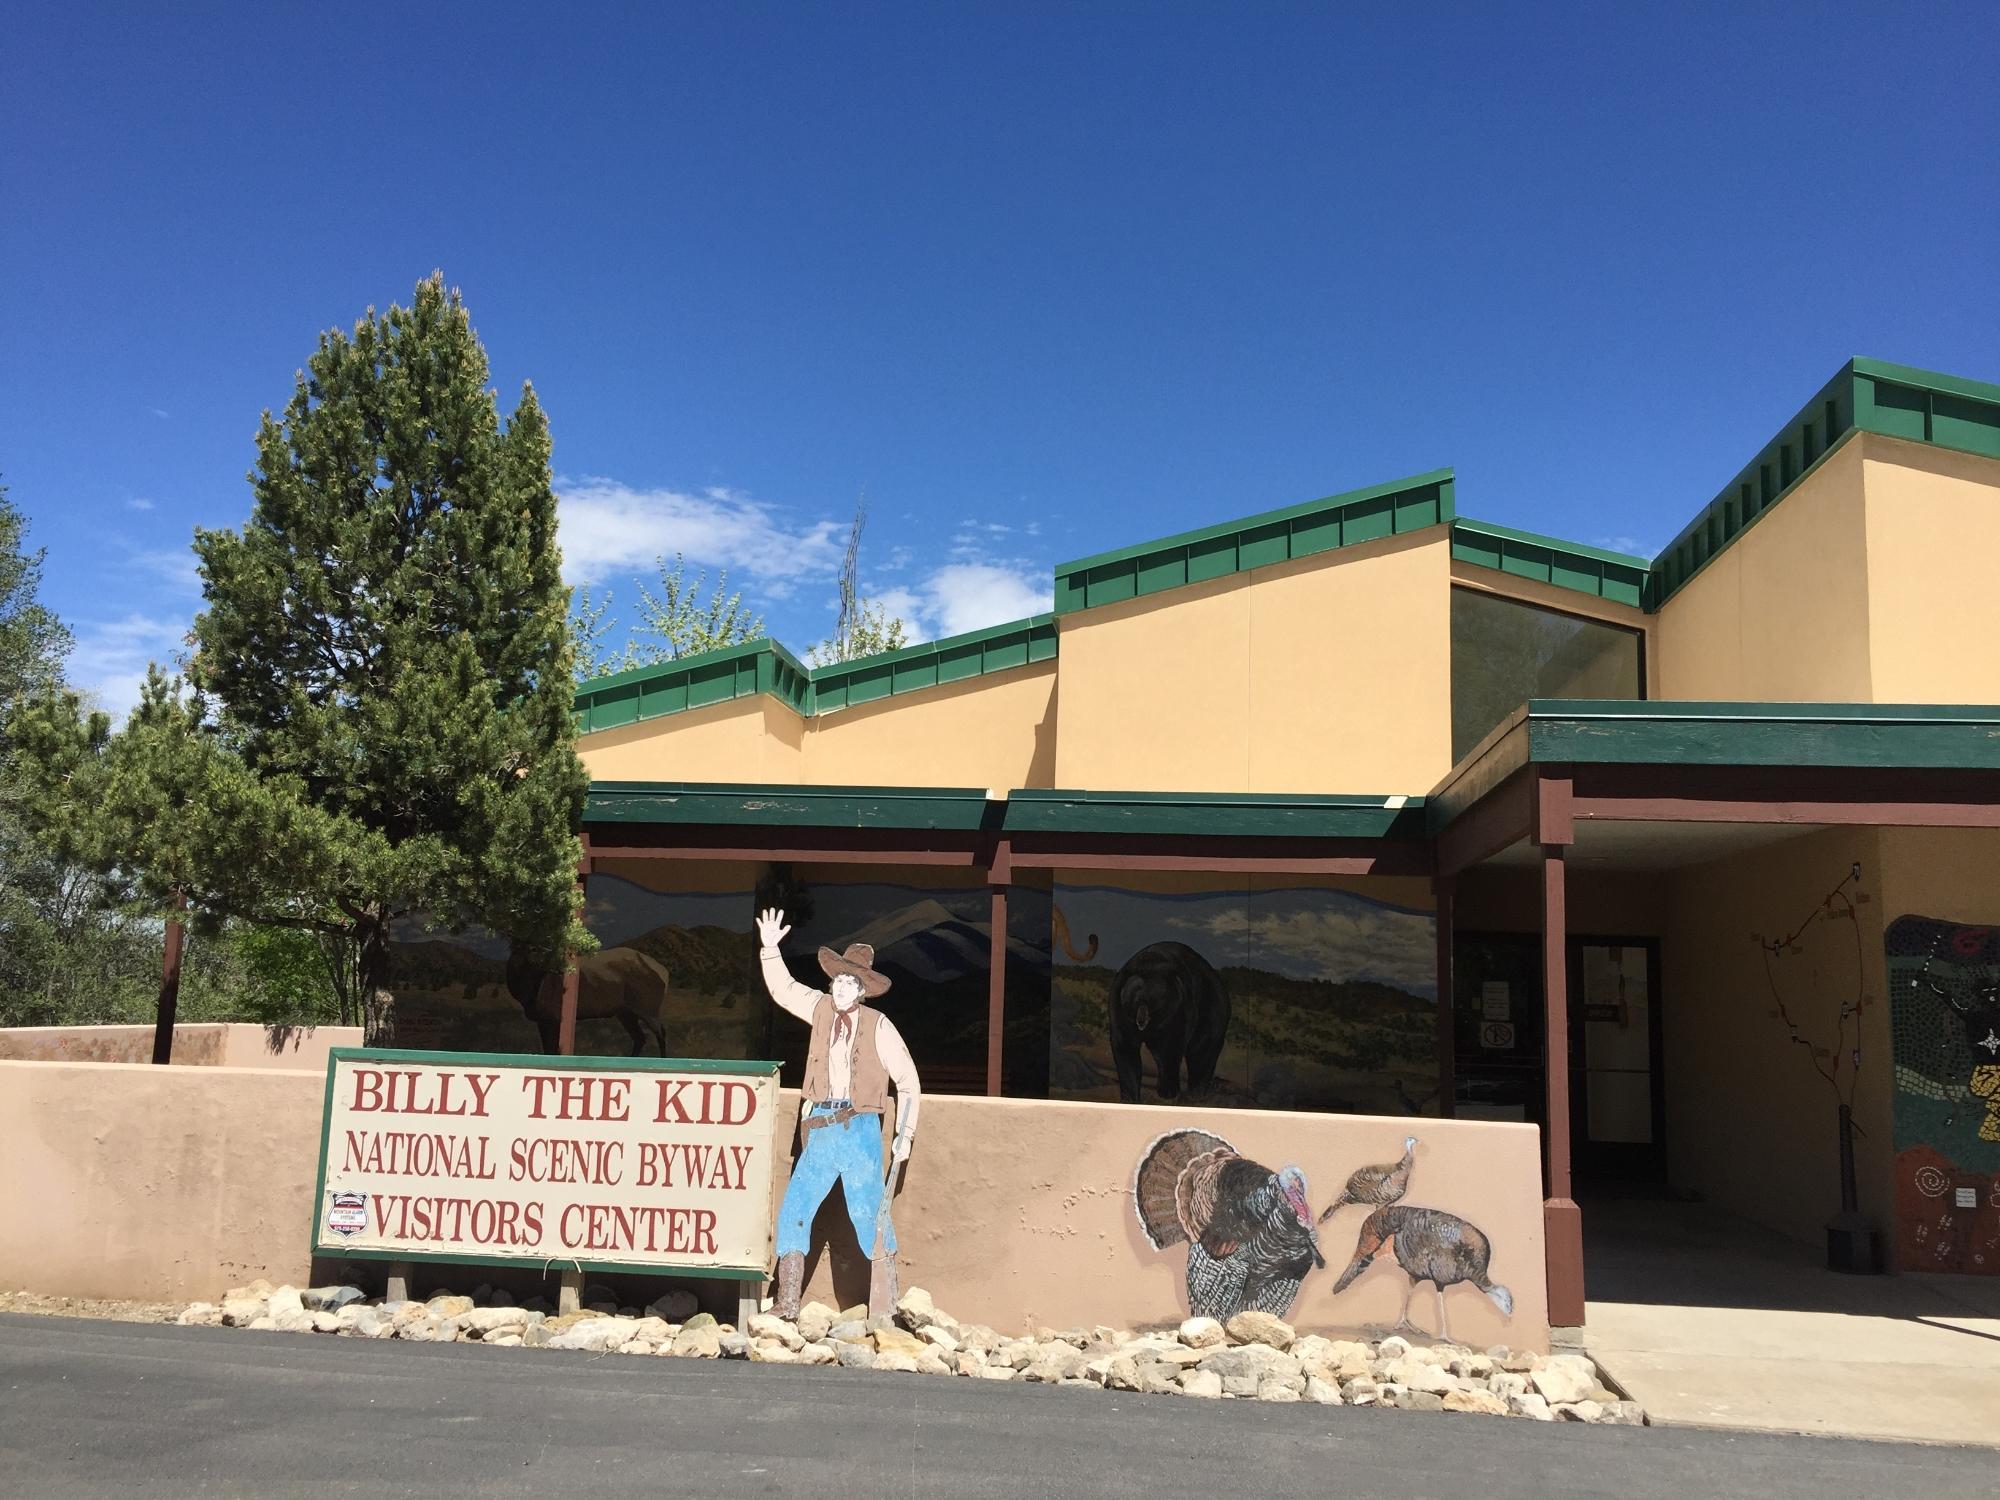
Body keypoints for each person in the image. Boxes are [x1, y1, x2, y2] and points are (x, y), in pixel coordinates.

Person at [755, 907, 921, 1318]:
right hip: (820, 1127)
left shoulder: (879, 1024)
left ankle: (886, 1306)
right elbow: (784, 989)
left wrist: (904, 1135)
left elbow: (907, 1081)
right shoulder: (819, 1008)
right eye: (839, 980)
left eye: (852, 982)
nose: (843, 987)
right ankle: (787, 1301)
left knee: (869, 1215)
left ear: (863, 990)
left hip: (860, 1128)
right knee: (796, 1210)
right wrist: (770, 949)